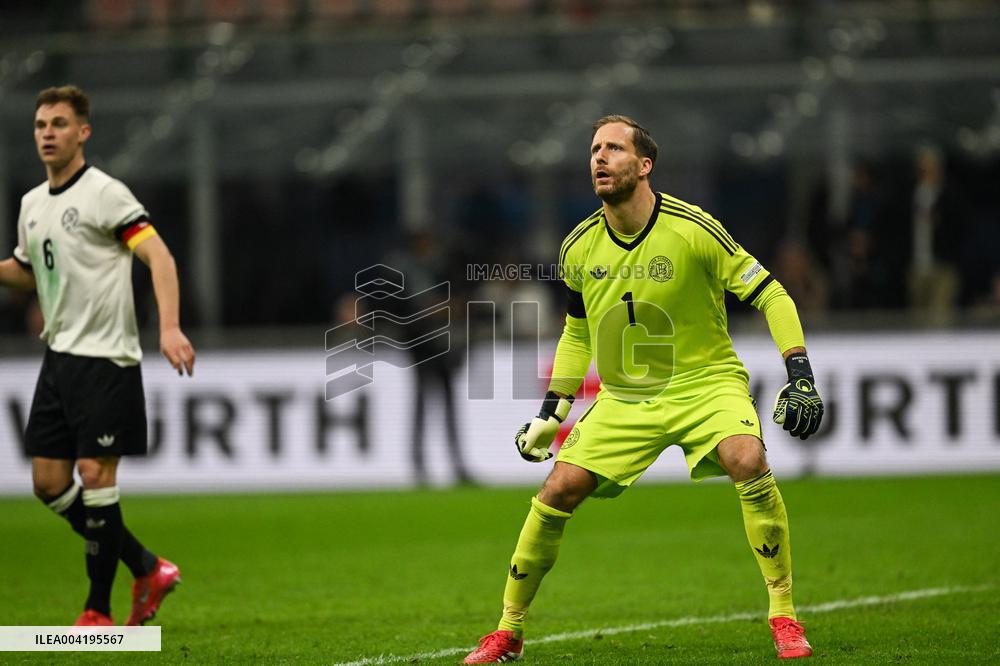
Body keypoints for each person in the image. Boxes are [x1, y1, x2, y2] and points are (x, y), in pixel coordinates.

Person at [464, 116, 823, 663]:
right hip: (626, 397)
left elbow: (772, 294)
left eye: (613, 148)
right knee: (557, 489)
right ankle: (507, 631)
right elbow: (578, 329)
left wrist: (800, 373)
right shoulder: (578, 247)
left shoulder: (694, 228)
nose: (599, 158)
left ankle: (784, 614)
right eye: (594, 150)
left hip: (705, 384)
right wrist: (551, 411)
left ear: (644, 164)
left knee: (746, 458)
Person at [0, 85, 195, 627]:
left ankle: (97, 611)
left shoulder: (106, 194)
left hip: (107, 358)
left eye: (59, 124)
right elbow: (27, 270)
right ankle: (145, 565)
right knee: (47, 484)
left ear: (82, 132)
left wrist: (171, 327)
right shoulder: (32, 204)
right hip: (59, 358)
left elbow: (159, 257)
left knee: (95, 473)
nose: (47, 134)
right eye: (41, 125)